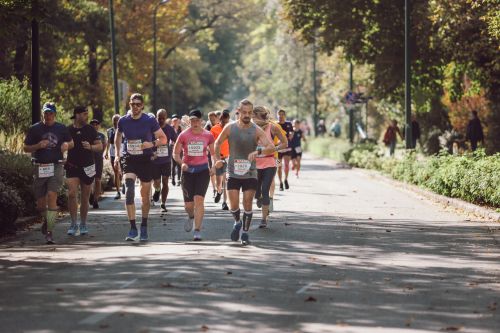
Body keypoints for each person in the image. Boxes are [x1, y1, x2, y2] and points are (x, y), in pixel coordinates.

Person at [214, 99, 275, 245]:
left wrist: (259, 150)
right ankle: (237, 222)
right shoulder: (230, 128)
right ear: (238, 111)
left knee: (247, 203)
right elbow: (217, 143)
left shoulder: (256, 130)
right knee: (233, 205)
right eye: (244, 112)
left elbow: (271, 147)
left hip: (250, 172)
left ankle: (246, 233)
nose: (247, 115)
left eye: (249, 113)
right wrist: (217, 159)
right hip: (233, 171)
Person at [114, 93, 167, 242]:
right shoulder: (123, 121)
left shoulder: (149, 120)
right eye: (133, 104)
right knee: (129, 190)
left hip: (145, 159)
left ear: (142, 105)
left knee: (145, 195)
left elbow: (163, 139)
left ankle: (143, 225)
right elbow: (118, 135)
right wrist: (118, 154)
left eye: (138, 104)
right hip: (129, 158)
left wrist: (151, 144)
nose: (135, 107)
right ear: (129, 105)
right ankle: (132, 228)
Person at [23, 102, 73, 244]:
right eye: (46, 113)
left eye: (50, 113)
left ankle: (50, 232)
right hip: (40, 167)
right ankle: (47, 220)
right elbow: (26, 148)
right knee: (40, 204)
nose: (48, 115)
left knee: (52, 195)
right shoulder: (35, 129)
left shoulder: (61, 128)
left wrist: (66, 145)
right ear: (42, 114)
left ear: (54, 114)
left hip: (56, 166)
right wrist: (37, 146)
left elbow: (72, 143)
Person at [173, 109, 216, 241]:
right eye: (192, 120)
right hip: (188, 171)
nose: (195, 123)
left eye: (197, 120)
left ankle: (197, 230)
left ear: (201, 121)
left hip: (202, 170)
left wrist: (213, 166)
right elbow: (175, 153)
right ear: (189, 121)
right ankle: (191, 216)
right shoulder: (183, 135)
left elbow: (214, 154)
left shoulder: (208, 135)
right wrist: (181, 164)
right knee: (189, 205)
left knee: (199, 200)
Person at [65, 106, 102, 236]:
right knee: (71, 194)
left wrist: (91, 147)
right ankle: (73, 223)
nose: (87, 116)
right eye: (84, 114)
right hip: (72, 166)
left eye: (87, 114)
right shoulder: (68, 129)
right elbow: (62, 145)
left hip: (88, 166)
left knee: (85, 197)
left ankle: (83, 223)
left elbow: (100, 146)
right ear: (77, 115)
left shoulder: (90, 129)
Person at [252, 106, 288, 229]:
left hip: (270, 163)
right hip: (255, 164)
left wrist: (275, 148)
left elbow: (285, 143)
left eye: (253, 116)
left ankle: (263, 219)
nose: (252, 118)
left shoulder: (273, 127)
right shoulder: (250, 128)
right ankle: (259, 197)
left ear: (260, 116)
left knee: (265, 189)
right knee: (257, 192)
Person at [152, 109, 177, 212]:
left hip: (166, 160)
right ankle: (157, 190)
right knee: (157, 182)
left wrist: (177, 149)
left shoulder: (170, 129)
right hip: (155, 160)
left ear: (166, 118)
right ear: (156, 117)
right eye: (159, 118)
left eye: (163, 118)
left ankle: (163, 203)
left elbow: (177, 140)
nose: (161, 120)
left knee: (166, 182)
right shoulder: (152, 129)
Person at [210, 109, 231, 210]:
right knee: (219, 182)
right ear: (220, 119)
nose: (225, 124)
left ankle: (225, 202)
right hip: (218, 157)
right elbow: (211, 143)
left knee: (226, 181)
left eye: (226, 122)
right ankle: (219, 192)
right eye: (223, 121)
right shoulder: (214, 129)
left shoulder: (231, 128)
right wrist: (214, 157)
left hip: (228, 157)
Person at [89, 119, 106, 209]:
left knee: (98, 180)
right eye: (93, 124)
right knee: (90, 180)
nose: (95, 126)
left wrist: (101, 154)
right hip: (89, 160)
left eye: (96, 124)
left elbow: (104, 146)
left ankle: (96, 199)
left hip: (99, 159)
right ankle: (91, 194)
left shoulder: (102, 136)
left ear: (98, 126)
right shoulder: (87, 134)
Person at [105, 114, 122, 199]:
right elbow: (108, 141)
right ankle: (118, 192)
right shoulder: (109, 131)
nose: (116, 122)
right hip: (112, 154)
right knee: (116, 172)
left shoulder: (123, 130)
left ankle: (123, 183)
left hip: (122, 153)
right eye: (114, 120)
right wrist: (106, 152)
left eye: (117, 120)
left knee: (122, 172)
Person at [277, 109, 294, 191]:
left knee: (286, 165)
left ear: (285, 115)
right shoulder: (276, 125)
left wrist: (291, 135)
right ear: (277, 115)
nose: (281, 116)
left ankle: (286, 179)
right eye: (279, 114)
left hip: (287, 148)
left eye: (282, 114)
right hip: (278, 149)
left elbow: (291, 132)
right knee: (279, 166)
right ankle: (280, 183)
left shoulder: (289, 124)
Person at [204, 111, 219, 197]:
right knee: (212, 170)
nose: (212, 121)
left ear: (216, 118)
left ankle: (218, 186)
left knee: (219, 171)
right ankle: (214, 189)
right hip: (210, 151)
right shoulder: (207, 127)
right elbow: (204, 139)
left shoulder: (219, 126)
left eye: (213, 119)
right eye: (210, 119)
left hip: (219, 151)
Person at [171, 115, 182, 186]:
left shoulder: (180, 129)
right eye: (174, 121)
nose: (175, 122)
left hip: (179, 148)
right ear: (172, 122)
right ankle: (172, 179)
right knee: (173, 165)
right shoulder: (170, 128)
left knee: (179, 164)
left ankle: (178, 179)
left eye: (176, 121)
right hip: (172, 147)